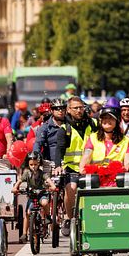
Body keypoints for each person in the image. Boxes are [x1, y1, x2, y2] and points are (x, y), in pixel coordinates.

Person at [53, 96, 98, 236]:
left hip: (91, 166)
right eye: (75, 108)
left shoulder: (94, 123)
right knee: (70, 188)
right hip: (72, 167)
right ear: (68, 109)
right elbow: (59, 149)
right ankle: (69, 217)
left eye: (81, 107)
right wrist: (57, 165)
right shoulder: (64, 128)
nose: (79, 110)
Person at [12, 151, 57, 243]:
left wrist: (52, 186)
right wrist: (15, 187)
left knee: (44, 203)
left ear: (39, 164)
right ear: (28, 164)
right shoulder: (26, 173)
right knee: (28, 212)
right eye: (31, 164)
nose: (33, 166)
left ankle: (47, 216)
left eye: (35, 164)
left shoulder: (42, 173)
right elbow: (20, 180)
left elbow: (48, 179)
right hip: (32, 194)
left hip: (42, 193)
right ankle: (24, 233)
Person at [80, 107, 129, 173]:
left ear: (117, 121)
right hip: (96, 177)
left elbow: (128, 160)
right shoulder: (92, 137)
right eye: (105, 118)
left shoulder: (125, 140)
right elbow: (86, 156)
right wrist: (82, 168)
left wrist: (128, 166)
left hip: (116, 177)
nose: (107, 120)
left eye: (111, 118)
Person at [34, 98, 66, 163]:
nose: (60, 111)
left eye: (62, 108)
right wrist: (36, 156)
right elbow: (38, 143)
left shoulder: (70, 124)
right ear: (51, 111)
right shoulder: (45, 127)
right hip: (51, 163)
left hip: (68, 163)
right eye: (56, 108)